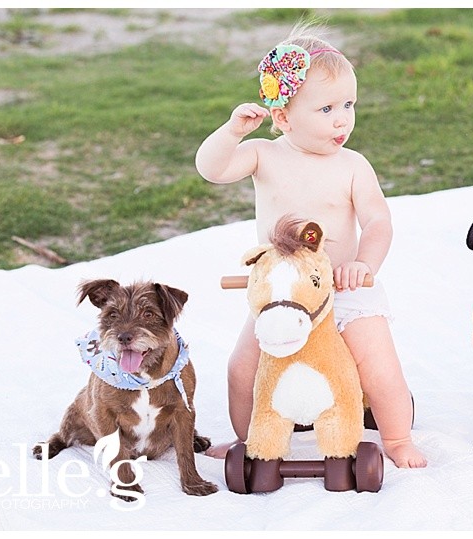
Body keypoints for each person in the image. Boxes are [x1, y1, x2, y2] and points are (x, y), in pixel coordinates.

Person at [195, 23, 427, 468]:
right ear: (283, 117)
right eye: (326, 108)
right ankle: (251, 441)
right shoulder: (264, 155)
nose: (343, 118)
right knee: (243, 369)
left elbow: (378, 219)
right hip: (283, 295)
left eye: (348, 104)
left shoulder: (353, 166)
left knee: (378, 366)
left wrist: (363, 263)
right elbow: (212, 169)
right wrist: (231, 133)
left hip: (343, 289)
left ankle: (397, 437)